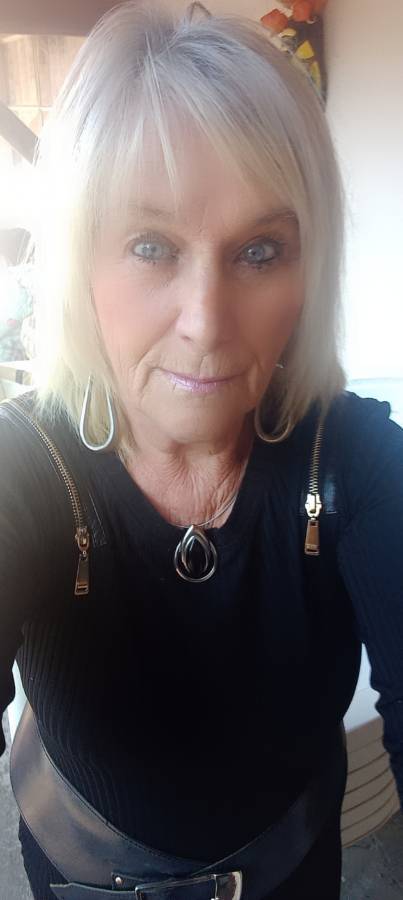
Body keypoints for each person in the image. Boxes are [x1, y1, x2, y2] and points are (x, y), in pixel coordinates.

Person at [0, 2, 402, 899]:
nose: (206, 323)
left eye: (259, 251)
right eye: (151, 246)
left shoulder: (356, 463)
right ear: (78, 262)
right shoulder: (24, 469)